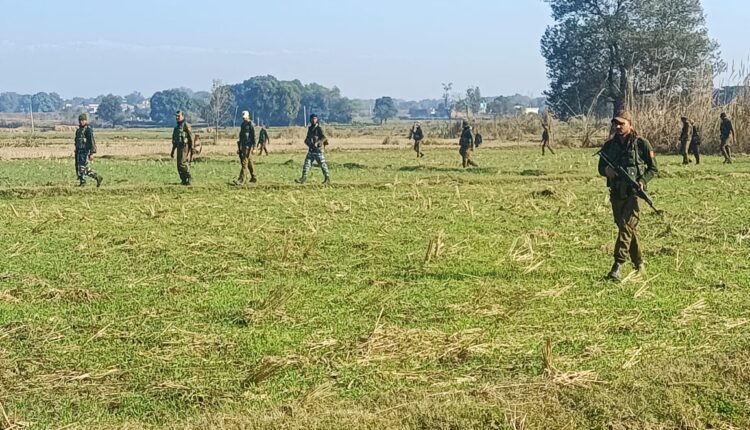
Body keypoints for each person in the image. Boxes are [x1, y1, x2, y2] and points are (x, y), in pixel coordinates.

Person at [598, 111, 658, 281]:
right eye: (615, 124)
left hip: (634, 194)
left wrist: (642, 181)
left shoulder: (641, 144)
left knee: (626, 227)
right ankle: (639, 263)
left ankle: (617, 266)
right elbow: (600, 167)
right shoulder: (609, 146)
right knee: (627, 230)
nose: (618, 127)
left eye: (621, 124)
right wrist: (607, 171)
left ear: (630, 124)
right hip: (617, 193)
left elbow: (653, 168)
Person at [295, 114, 330, 184]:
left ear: (317, 120)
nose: (314, 120)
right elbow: (307, 138)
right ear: (310, 120)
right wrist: (308, 143)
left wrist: (319, 142)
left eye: (315, 118)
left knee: (322, 165)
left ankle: (327, 178)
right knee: (306, 164)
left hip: (318, 151)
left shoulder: (319, 128)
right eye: (312, 119)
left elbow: (324, 137)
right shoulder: (310, 129)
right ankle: (303, 178)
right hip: (311, 150)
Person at [74, 113, 103, 187]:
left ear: (86, 121)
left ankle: (83, 182)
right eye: (80, 120)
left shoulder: (88, 130)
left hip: (85, 151)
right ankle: (97, 177)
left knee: (82, 167)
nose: (81, 122)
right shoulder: (78, 130)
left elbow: (91, 141)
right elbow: (76, 141)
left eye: (83, 120)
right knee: (81, 168)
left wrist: (91, 153)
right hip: (79, 151)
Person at [171, 110, 194, 185]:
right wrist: (172, 151)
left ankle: (188, 177)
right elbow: (174, 140)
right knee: (178, 165)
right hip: (178, 147)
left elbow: (191, 137)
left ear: (183, 116)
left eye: (179, 116)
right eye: (176, 116)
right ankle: (183, 180)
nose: (177, 117)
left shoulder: (186, 125)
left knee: (182, 163)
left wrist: (192, 148)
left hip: (185, 147)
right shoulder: (177, 128)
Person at [234, 111, 257, 184]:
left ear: (248, 116)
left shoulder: (251, 125)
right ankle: (254, 177)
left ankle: (241, 179)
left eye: (245, 118)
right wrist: (239, 148)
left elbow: (254, 137)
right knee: (249, 162)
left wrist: (254, 148)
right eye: (243, 118)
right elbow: (241, 136)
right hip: (243, 146)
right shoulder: (243, 125)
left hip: (248, 146)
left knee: (244, 162)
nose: (244, 119)